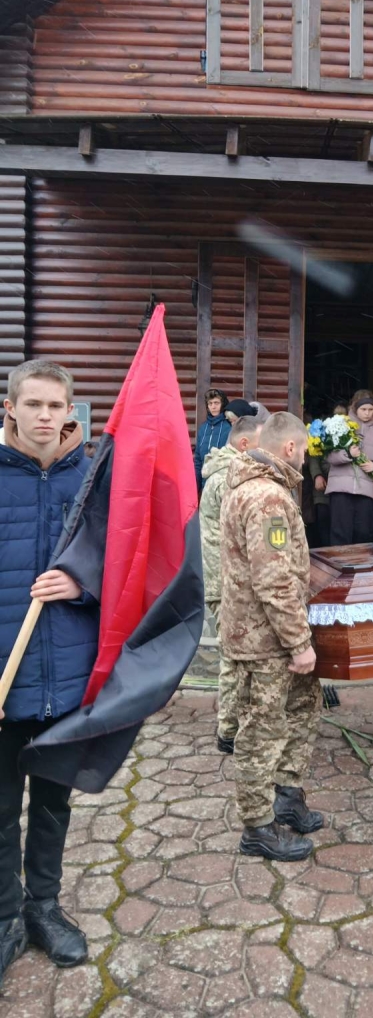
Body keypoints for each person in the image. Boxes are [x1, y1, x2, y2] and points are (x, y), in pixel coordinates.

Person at [0, 361, 99, 987]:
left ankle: (44, 906)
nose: (43, 416)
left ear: (70, 413)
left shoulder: (90, 481)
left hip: (64, 680)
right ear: (8, 407)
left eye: (54, 406)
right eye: (31, 404)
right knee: (2, 808)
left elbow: (129, 560)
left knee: (54, 804)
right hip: (4, 684)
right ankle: (6, 917)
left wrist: (82, 582)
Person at [219, 411, 323, 862]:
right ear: (288, 449)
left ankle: (287, 796)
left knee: (303, 706)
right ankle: (258, 826)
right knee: (262, 728)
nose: (303, 459)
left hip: (268, 632)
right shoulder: (267, 498)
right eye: (302, 450)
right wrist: (299, 643)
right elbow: (273, 579)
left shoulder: (262, 488)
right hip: (265, 639)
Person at [199, 416, 263, 755]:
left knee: (234, 655)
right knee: (233, 657)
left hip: (227, 578)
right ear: (244, 445)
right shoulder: (229, 478)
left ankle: (232, 725)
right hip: (227, 582)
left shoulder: (228, 473)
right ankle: (228, 730)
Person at [326, 393, 373, 546]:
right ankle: (339, 567)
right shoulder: (342, 426)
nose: (367, 413)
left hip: (365, 489)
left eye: (370, 409)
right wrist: (347, 454)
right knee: (340, 532)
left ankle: (360, 567)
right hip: (340, 488)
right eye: (363, 409)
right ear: (355, 409)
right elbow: (328, 457)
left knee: (363, 532)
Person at [194, 388, 229, 491]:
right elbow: (198, 459)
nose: (213, 406)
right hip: (204, 486)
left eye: (216, 403)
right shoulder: (203, 428)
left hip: (222, 485)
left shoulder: (228, 427)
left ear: (222, 404)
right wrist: (196, 486)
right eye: (210, 403)